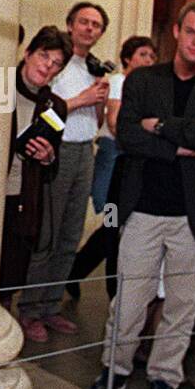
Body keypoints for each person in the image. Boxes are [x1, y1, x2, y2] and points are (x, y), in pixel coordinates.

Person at [87, 1, 195, 389]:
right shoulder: (143, 80)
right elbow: (129, 137)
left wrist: (162, 126)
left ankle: (163, 381)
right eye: (190, 31)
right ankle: (113, 370)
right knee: (130, 299)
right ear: (176, 31)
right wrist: (181, 143)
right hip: (144, 209)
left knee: (182, 305)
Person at [20, 2, 110, 338]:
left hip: (86, 148)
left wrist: (98, 98)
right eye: (84, 22)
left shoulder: (94, 68)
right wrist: (81, 99)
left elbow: (98, 120)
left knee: (71, 233)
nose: (90, 28)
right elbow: (45, 112)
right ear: (70, 24)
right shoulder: (56, 63)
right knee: (47, 233)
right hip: (56, 150)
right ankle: (29, 310)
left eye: (97, 25)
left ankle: (51, 305)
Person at [66, 36, 158, 304]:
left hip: (130, 162)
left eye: (152, 56)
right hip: (113, 159)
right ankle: (114, 294)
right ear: (128, 58)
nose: (148, 61)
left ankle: (76, 269)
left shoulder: (146, 88)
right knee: (112, 225)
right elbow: (115, 122)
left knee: (113, 226)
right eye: (143, 54)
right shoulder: (119, 82)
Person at [1, 26, 70, 317]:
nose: (47, 66)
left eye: (56, 64)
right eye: (44, 56)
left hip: (22, 198)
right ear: (27, 53)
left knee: (9, 276)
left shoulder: (56, 107)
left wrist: (47, 157)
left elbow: (51, 169)